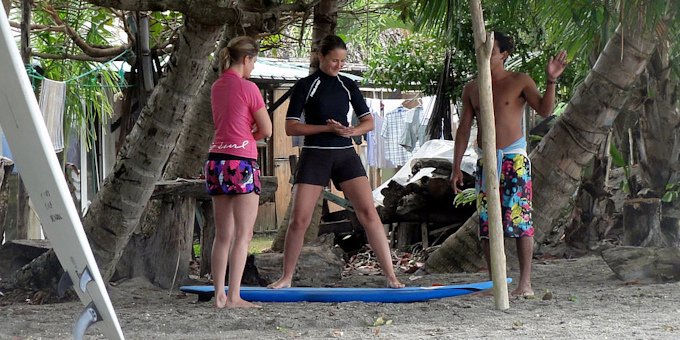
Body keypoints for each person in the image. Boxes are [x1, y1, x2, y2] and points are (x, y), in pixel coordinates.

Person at [268, 35, 404, 289]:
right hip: (315, 155)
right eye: (333, 60)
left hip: (345, 154)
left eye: (342, 61)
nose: (338, 65)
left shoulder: (348, 85)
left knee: (368, 213)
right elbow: (291, 128)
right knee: (300, 219)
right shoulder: (306, 85)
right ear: (321, 56)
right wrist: (326, 128)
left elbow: (369, 122)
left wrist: (352, 131)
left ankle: (391, 276)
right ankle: (286, 277)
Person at [450, 32, 567, 297]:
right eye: (480, 50)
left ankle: (525, 284)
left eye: (490, 51)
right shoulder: (472, 88)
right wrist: (456, 167)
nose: (484, 56)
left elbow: (545, 110)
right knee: (488, 224)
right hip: (485, 162)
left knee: (521, 222)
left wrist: (551, 80)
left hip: (513, 161)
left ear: (503, 55)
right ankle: (496, 283)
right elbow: (464, 130)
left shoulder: (519, 81)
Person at [205, 36, 272, 308]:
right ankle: (234, 296)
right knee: (243, 234)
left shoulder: (216, 87)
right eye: (254, 62)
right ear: (246, 60)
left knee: (223, 234)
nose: (253, 68)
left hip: (216, 161)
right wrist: (247, 136)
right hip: (241, 162)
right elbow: (266, 129)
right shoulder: (249, 88)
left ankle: (218, 295)